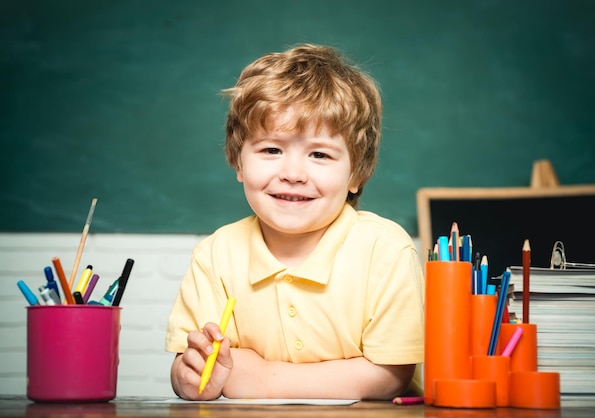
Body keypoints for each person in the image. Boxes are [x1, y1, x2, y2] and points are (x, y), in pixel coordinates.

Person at [165, 43, 424, 401]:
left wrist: (260, 377)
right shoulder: (215, 255)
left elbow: (389, 376)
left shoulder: (385, 250)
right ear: (238, 162)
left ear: (357, 173)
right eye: (271, 150)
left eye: (319, 154)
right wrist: (189, 376)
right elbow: (189, 373)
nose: (292, 174)